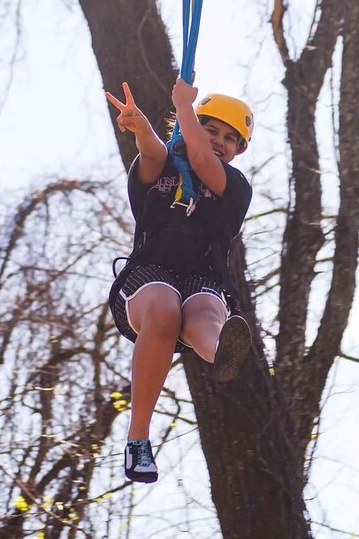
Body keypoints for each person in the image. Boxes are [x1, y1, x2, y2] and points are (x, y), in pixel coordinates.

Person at [105, 79, 254, 484]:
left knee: (205, 314)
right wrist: (141, 128)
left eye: (230, 138)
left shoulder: (236, 187)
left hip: (203, 277)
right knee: (165, 310)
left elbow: (205, 164)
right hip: (149, 276)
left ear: (240, 151)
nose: (220, 142)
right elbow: (154, 152)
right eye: (211, 130)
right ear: (186, 127)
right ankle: (138, 438)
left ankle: (221, 351)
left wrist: (185, 109)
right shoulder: (162, 167)